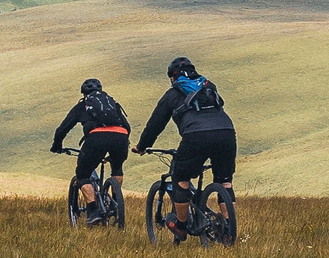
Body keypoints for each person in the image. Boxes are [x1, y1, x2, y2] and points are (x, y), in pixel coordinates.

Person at [135, 57, 236, 240]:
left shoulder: (172, 94)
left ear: (173, 78)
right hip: (227, 131)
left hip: (196, 135)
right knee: (225, 181)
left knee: (181, 177)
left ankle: (181, 226)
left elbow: (155, 124)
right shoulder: (208, 86)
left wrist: (142, 146)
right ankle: (228, 229)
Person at [51, 78, 131, 220]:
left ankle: (93, 211)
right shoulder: (112, 103)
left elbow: (63, 129)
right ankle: (115, 202)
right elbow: (127, 127)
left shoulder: (83, 106)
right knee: (117, 167)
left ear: (84, 94)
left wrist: (57, 145)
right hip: (121, 136)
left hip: (97, 139)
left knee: (82, 173)